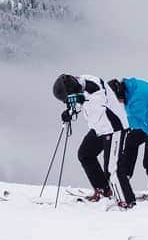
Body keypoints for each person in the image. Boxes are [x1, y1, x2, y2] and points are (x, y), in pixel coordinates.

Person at [52, 73, 129, 201]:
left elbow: (99, 99)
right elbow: (78, 101)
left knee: (112, 168)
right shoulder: (79, 88)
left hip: (114, 127)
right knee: (85, 154)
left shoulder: (93, 85)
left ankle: (126, 201)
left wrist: (82, 99)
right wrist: (70, 112)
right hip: (99, 127)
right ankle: (104, 190)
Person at [107, 77, 148, 206]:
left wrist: (116, 126)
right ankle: (125, 176)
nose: (118, 103)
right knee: (131, 142)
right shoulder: (131, 87)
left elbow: (135, 122)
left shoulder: (137, 99)